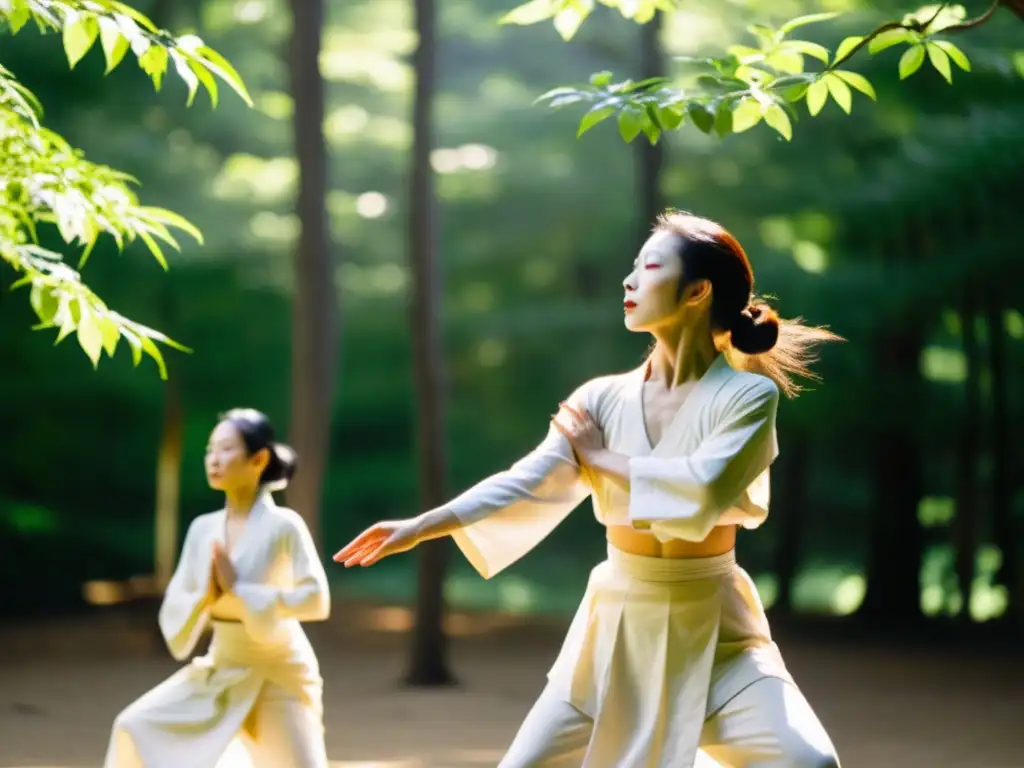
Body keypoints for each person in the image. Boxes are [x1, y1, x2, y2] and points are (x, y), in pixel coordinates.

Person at [334, 211, 842, 768]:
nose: (629, 282)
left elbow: (705, 488)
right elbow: (527, 479)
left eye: (649, 268)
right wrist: (421, 525)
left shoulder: (747, 397)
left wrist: (601, 458)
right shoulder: (600, 398)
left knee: (807, 761)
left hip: (717, 632)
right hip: (616, 626)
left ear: (697, 291)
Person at [105, 408, 331, 768]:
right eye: (211, 449)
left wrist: (241, 592)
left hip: (278, 670)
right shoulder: (202, 528)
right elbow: (178, 600)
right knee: (134, 726)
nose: (213, 458)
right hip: (223, 666)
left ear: (259, 459)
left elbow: (317, 600)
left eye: (226, 449)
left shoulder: (284, 525)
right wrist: (205, 597)